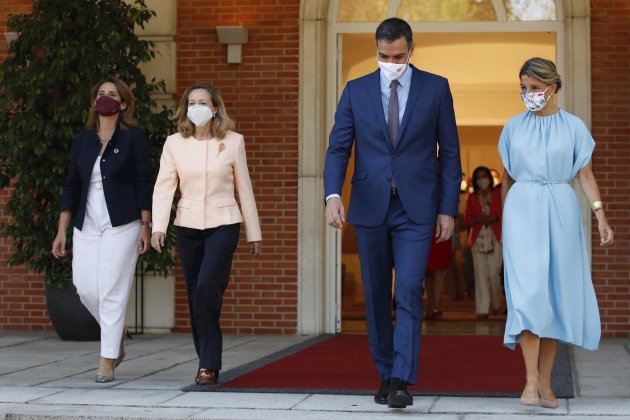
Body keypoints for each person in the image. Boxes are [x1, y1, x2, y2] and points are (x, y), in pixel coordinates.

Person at [324, 18, 461, 409]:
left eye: (398, 56)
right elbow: (338, 148)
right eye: (384, 56)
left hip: (417, 208)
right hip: (369, 206)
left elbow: (449, 152)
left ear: (411, 49)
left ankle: (402, 378)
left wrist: (447, 208)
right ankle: (385, 374)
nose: (391, 62)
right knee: (376, 298)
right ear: (376, 52)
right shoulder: (356, 90)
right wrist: (333, 194)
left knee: (408, 291)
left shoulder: (436, 88)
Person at [499, 57, 614, 408]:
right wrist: (506, 217)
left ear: (553, 87)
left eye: (534, 88)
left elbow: (586, 175)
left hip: (561, 211)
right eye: (524, 88)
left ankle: (546, 383)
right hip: (522, 212)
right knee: (529, 295)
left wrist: (600, 216)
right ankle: (530, 380)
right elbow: (507, 177)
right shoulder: (513, 127)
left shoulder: (574, 128)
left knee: (555, 297)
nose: (528, 95)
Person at [151, 83, 261, 387]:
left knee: (206, 288)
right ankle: (206, 362)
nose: (197, 106)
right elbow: (164, 187)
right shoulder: (174, 143)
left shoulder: (234, 142)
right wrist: (159, 226)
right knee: (196, 295)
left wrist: (254, 232)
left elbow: (245, 189)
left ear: (214, 108)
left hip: (224, 224)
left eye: (203, 102)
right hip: (187, 226)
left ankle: (209, 364)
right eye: (192, 101)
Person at [52, 76, 152, 383]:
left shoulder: (134, 137)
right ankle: (115, 330)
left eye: (112, 94)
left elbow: (142, 181)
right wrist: (61, 230)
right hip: (87, 223)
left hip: (122, 222)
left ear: (123, 104)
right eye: (101, 94)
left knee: (111, 289)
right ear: (94, 101)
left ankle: (107, 359)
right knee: (85, 288)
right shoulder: (83, 140)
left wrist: (146, 225)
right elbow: (72, 185)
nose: (105, 98)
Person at [464, 166, 502, 319]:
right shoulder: (472, 197)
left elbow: (504, 212)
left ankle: (496, 304)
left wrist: (494, 218)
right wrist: (482, 219)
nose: (482, 180)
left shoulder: (498, 194)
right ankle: (482, 309)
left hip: (495, 237)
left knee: (494, 274)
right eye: (478, 177)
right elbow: (467, 219)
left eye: (484, 176)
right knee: (480, 275)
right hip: (478, 239)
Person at [424, 233, 451, 320]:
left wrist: (456, 236)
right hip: (425, 231)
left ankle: (437, 306)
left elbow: (455, 219)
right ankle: (431, 305)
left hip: (442, 231)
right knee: (427, 270)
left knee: (439, 269)